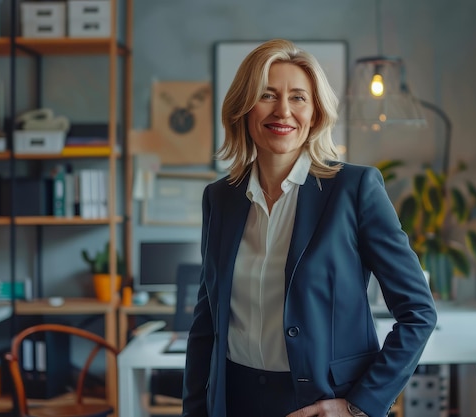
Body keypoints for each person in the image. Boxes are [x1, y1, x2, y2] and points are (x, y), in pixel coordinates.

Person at [182, 38, 437, 417]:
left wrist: (357, 405)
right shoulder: (220, 198)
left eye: (298, 97)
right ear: (244, 109)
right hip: (233, 400)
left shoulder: (355, 189)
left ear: (315, 113)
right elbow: (207, 319)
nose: (283, 110)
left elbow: (418, 311)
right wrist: (194, 409)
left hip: (320, 403)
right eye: (267, 95)